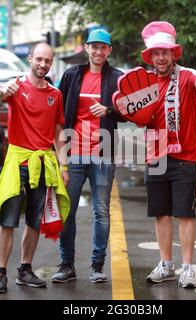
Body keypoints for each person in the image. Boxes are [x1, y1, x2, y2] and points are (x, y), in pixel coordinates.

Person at [140, 21, 196, 288]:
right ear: (151, 56)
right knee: (161, 213)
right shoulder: (144, 81)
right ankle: (166, 264)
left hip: (184, 156)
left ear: (173, 54)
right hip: (155, 156)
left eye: (165, 52)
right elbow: (130, 109)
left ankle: (187, 268)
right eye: (156, 53)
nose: (161, 57)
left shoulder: (186, 75)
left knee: (185, 214)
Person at [0, 43, 70, 294]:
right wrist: (3, 89)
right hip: (18, 161)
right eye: (39, 59)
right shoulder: (16, 86)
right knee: (8, 221)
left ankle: (25, 269)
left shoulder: (55, 95)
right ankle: (0, 274)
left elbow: (58, 133)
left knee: (34, 221)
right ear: (30, 59)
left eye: (47, 61)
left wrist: (63, 165)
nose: (43, 64)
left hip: (44, 163)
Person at [51, 29, 124, 283]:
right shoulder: (72, 75)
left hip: (102, 155)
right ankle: (67, 264)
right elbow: (57, 111)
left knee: (101, 212)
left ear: (109, 51)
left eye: (103, 47)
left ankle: (97, 265)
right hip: (73, 155)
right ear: (86, 49)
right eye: (94, 47)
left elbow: (128, 112)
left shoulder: (116, 78)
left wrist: (109, 109)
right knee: (66, 210)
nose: (98, 51)